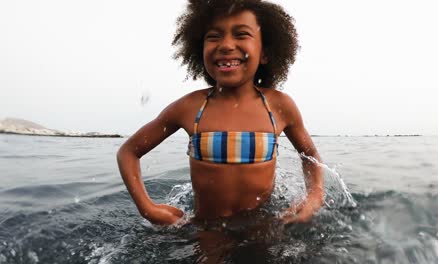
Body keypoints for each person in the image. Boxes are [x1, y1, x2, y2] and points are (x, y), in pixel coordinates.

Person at [116, 0, 324, 227]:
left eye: (241, 34)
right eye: (213, 36)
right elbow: (129, 152)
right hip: (206, 230)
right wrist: (148, 208)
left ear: (265, 52)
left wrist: (314, 197)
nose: (226, 45)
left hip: (263, 228)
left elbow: (309, 154)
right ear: (199, 49)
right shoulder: (190, 107)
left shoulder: (278, 106)